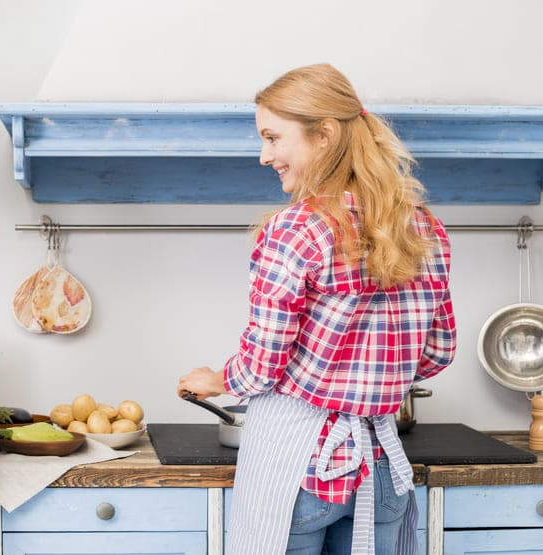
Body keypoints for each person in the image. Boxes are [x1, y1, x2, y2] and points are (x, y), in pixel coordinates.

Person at [177, 64, 456, 555]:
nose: (264, 156)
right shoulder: (424, 227)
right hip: (381, 468)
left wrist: (218, 379)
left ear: (324, 134)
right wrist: (370, 376)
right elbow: (437, 353)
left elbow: (265, 362)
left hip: (300, 471)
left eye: (272, 138)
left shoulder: (295, 229)